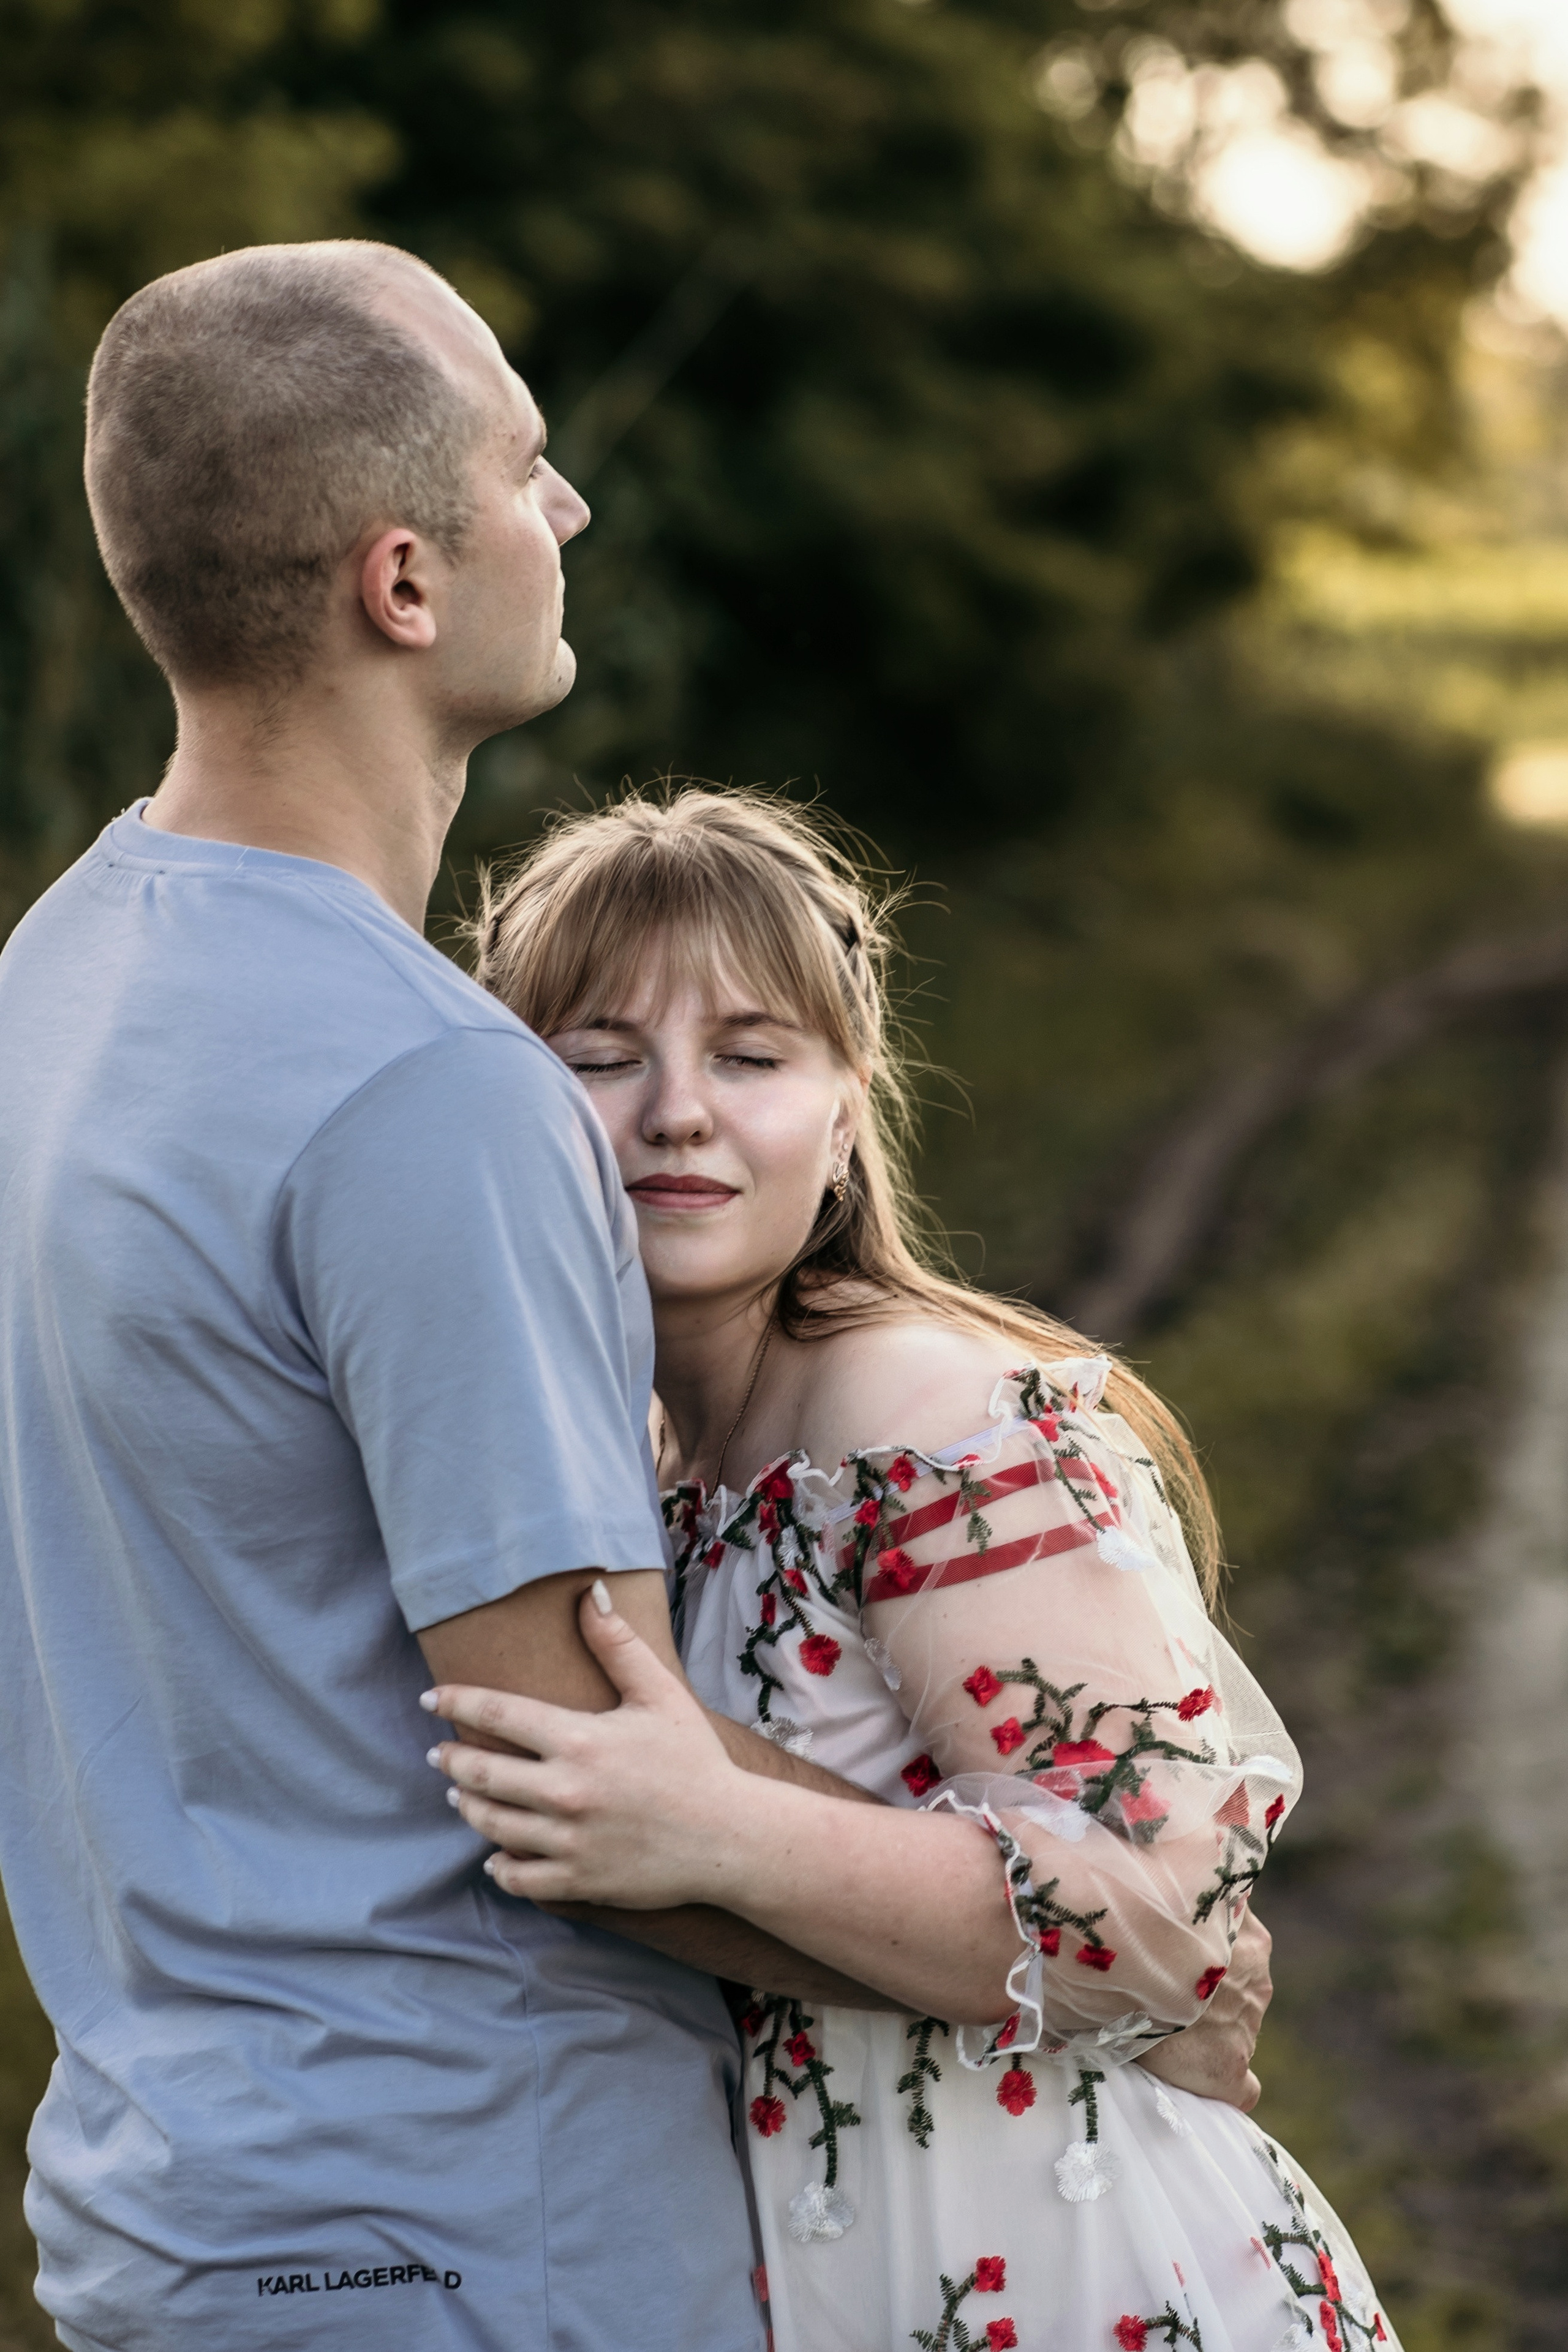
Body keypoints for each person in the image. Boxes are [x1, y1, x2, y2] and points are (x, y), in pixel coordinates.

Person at [0, 241, 891, 2352]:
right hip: (476, 2235)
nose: (566, 511)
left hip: (173, 2212)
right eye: (525, 464)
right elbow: (598, 1804)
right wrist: (1083, 1938)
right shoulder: (426, 1089)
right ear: (404, 585)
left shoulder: (54, 981)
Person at [423, 788, 1403, 2352]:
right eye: (601, 1057)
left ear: (842, 1107)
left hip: (1074, 2277)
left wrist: (721, 1827)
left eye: (750, 1057)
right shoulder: (639, 1463)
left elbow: (1161, 1915)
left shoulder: (919, 1411)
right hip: (836, 2270)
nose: (676, 1110)